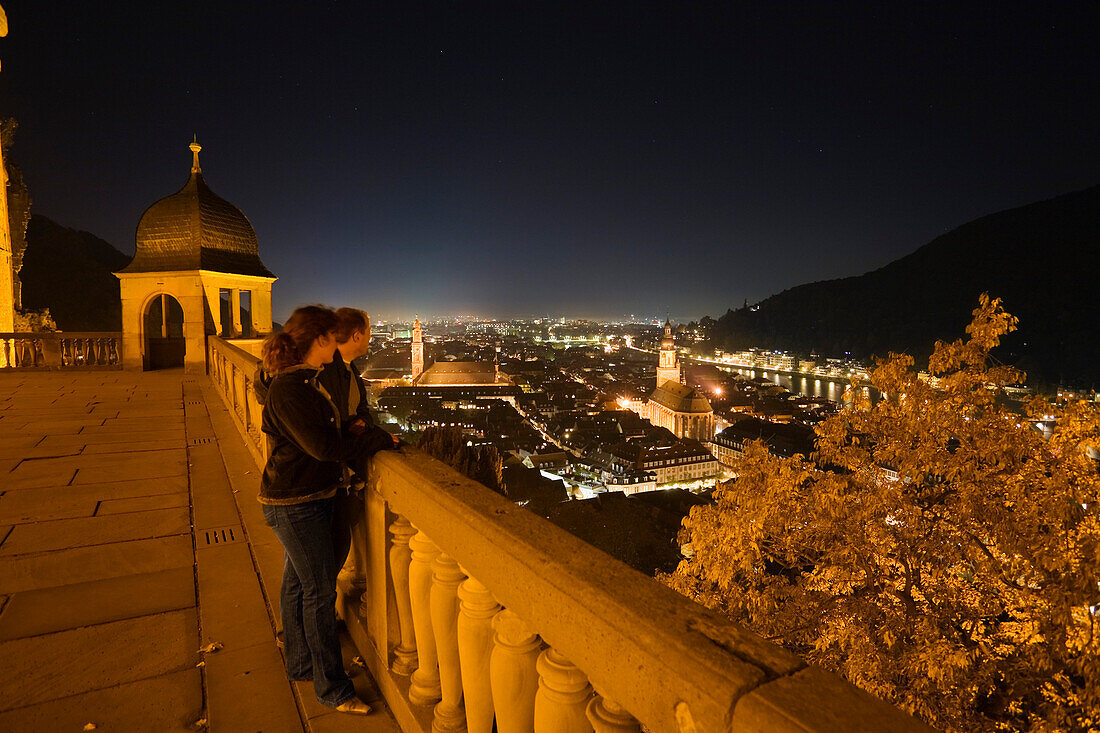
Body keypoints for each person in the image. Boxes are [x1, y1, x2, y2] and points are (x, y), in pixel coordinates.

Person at [258, 305, 396, 715]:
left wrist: (348, 429)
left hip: (306, 496)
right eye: (331, 336)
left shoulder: (307, 381)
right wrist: (376, 442)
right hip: (295, 501)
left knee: (301, 584)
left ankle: (300, 663)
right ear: (319, 339)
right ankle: (332, 689)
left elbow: (320, 435)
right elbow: (322, 448)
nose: (335, 343)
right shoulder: (292, 387)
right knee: (319, 593)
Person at [320, 307, 398, 575]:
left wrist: (359, 423)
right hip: (325, 481)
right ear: (356, 336)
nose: (371, 337)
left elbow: (359, 410)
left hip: (336, 479)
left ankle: (319, 615)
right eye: (369, 331)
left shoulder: (348, 369)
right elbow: (328, 430)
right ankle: (318, 617)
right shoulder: (327, 369)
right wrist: (382, 439)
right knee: (319, 569)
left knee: (322, 566)